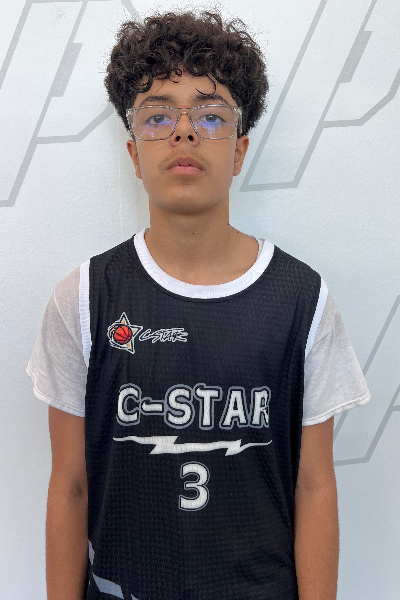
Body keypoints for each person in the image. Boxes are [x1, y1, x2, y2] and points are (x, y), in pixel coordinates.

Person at [27, 10, 371, 600]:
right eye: (158, 116)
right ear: (134, 152)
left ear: (238, 151)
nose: (184, 132)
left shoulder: (302, 299)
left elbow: (314, 486)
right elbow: (70, 487)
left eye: (210, 116)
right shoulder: (83, 298)